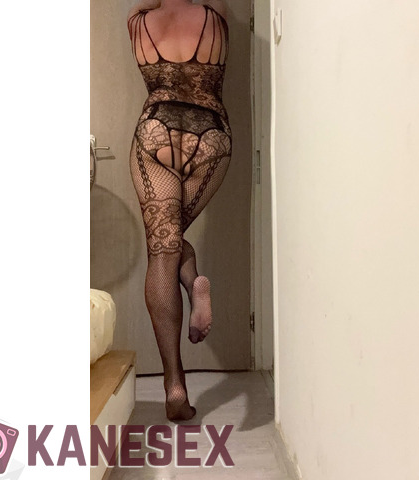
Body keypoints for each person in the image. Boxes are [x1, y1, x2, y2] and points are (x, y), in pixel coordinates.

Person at [127, 0, 231, 421]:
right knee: (171, 239)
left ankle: (174, 384)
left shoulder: (138, 22)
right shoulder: (215, 15)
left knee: (163, 250)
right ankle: (192, 280)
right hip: (211, 134)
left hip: (156, 129)